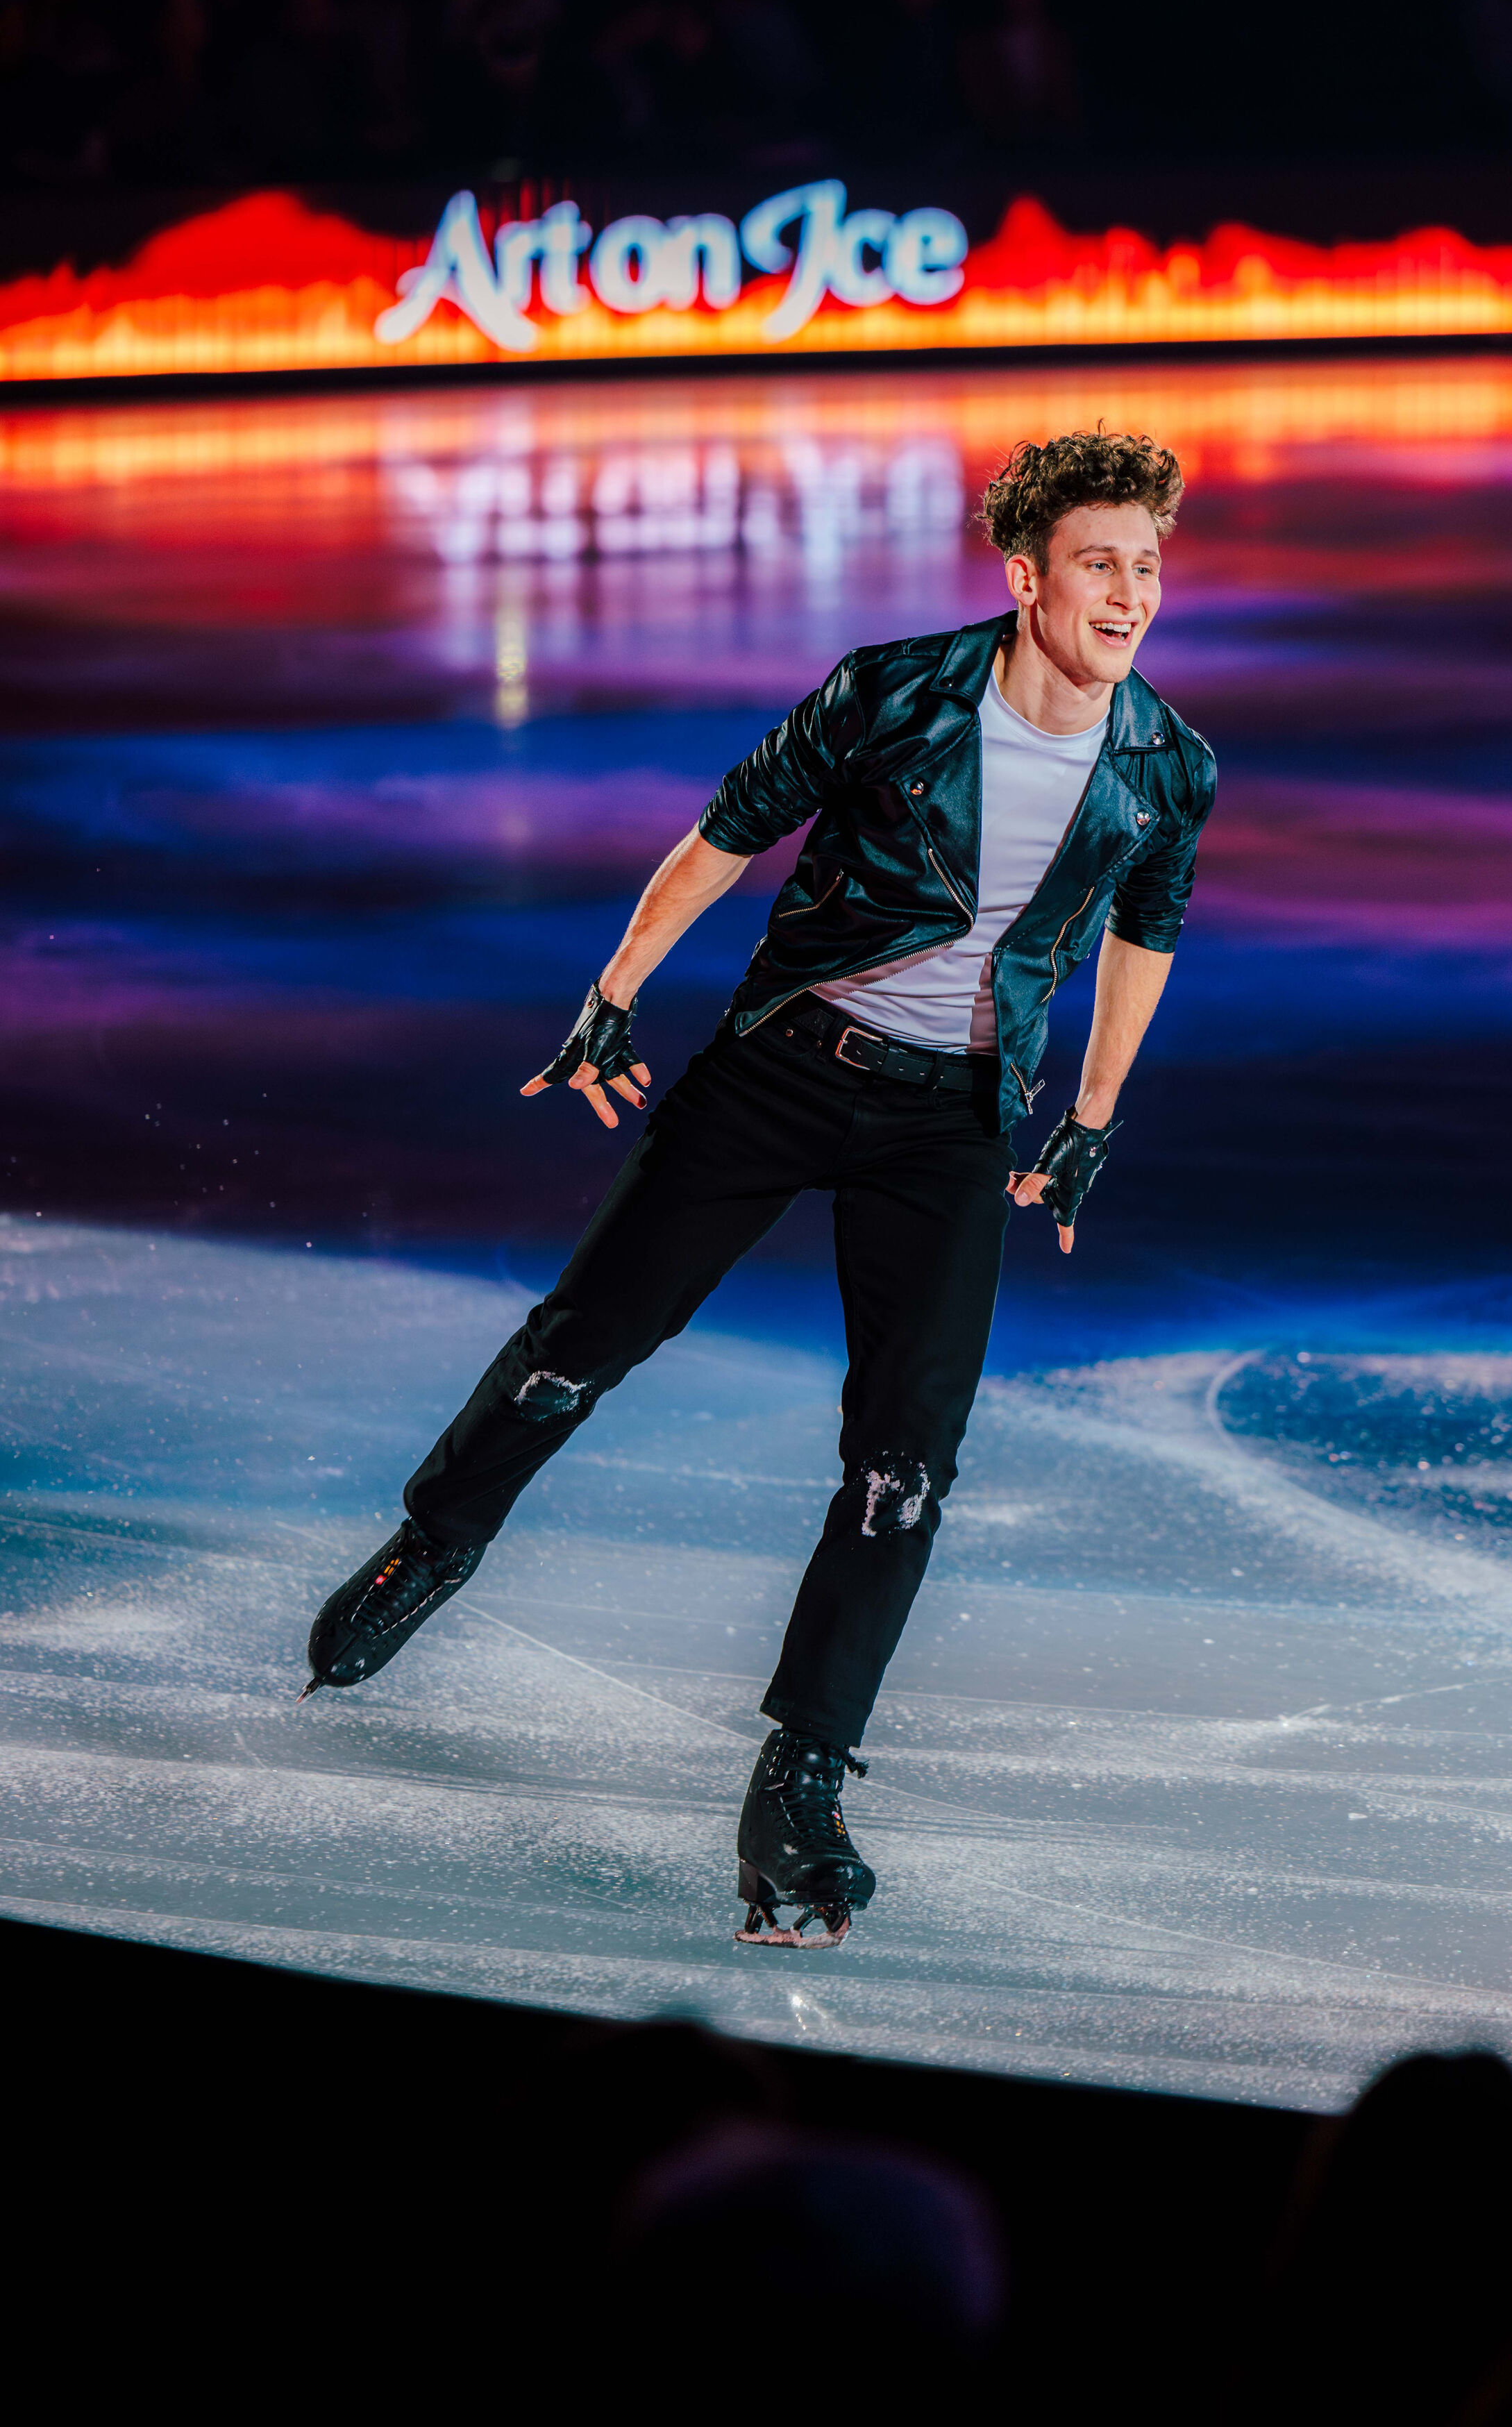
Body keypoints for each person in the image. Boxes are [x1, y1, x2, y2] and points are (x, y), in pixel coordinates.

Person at [301, 430, 1216, 1944]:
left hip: (952, 1125)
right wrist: (615, 988)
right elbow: (733, 829)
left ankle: (801, 1776)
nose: (1132, 592)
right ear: (1027, 576)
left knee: (903, 1466)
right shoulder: (896, 689)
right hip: (784, 1066)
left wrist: (1094, 1111)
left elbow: (1148, 928)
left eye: (1149, 564)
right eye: (1100, 562)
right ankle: (437, 1538)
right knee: (572, 1351)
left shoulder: (1166, 764)